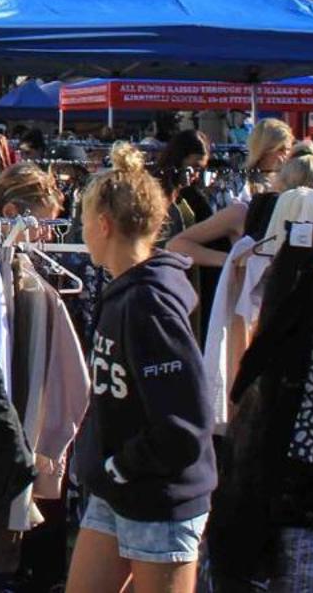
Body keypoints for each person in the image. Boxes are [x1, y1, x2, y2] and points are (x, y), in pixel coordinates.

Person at [68, 145, 216, 593]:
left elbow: (185, 423)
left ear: (104, 224)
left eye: (84, 221)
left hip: (161, 497)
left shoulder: (148, 303)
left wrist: (118, 466)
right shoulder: (127, 292)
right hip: (119, 490)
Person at [165, 118, 297, 268]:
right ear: (265, 148)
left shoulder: (288, 183)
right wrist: (231, 260)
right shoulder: (236, 183)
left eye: (288, 150)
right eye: (281, 149)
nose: (285, 156)